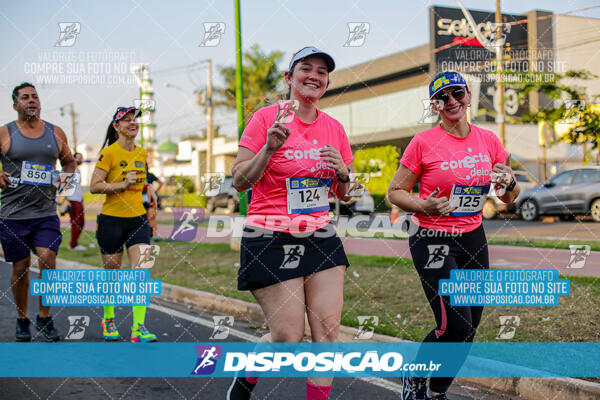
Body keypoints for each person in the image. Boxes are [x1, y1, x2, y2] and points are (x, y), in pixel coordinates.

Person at [227, 46, 356, 400]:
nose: (314, 75)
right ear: (289, 77)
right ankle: (246, 378)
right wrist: (268, 150)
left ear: (327, 82)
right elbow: (239, 180)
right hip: (269, 235)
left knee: (329, 330)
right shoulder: (266, 119)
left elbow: (345, 193)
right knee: (287, 338)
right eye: (306, 68)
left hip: (320, 235)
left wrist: (344, 173)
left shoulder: (334, 129)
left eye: (322, 72)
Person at [387, 71, 521, 400]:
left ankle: (437, 391)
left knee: (470, 328)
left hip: (473, 237)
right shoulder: (423, 143)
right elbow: (395, 192)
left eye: (457, 93)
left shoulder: (489, 140)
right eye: (442, 98)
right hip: (432, 238)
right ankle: (414, 374)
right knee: (454, 325)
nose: (451, 102)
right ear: (434, 105)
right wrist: (424, 204)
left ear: (468, 96)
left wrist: (511, 182)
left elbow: (508, 197)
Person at [0, 82, 76, 342]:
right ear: (15, 105)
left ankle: (44, 316)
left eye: (35, 96)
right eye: (25, 97)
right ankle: (22, 319)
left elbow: (68, 161)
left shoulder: (55, 132)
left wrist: (66, 179)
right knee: (20, 268)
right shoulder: (4, 133)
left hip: (45, 212)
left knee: (48, 259)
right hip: (13, 214)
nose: (31, 100)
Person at [90, 106, 158, 343]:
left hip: (138, 219)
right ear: (116, 127)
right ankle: (108, 320)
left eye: (135, 120)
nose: (132, 123)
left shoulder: (142, 153)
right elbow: (94, 186)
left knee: (141, 272)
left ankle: (138, 327)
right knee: (113, 275)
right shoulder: (108, 153)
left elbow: (142, 179)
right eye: (126, 120)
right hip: (112, 220)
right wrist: (121, 185)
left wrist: (149, 189)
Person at [64, 152, 86, 251]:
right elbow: (63, 183)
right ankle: (73, 245)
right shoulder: (70, 169)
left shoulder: (78, 170)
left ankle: (74, 243)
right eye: (78, 158)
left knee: (81, 223)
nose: (80, 160)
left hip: (78, 199)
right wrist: (65, 200)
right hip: (72, 200)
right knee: (76, 223)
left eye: (81, 158)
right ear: (73, 158)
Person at [143, 169, 163, 241]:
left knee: (152, 217)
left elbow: (161, 183)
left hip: (149, 200)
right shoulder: (135, 174)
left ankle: (155, 235)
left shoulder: (150, 175)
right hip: (138, 200)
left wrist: (155, 192)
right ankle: (146, 234)